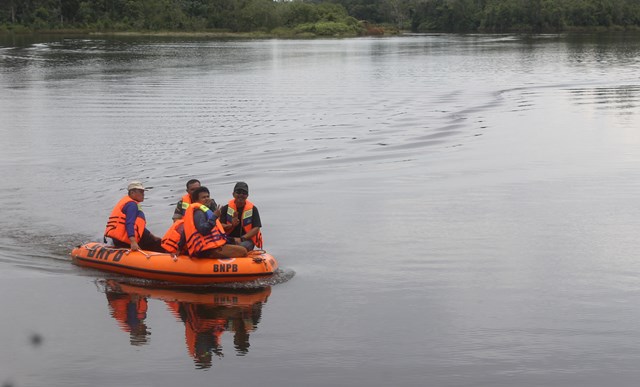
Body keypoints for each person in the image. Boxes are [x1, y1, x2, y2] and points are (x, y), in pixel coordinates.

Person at [183, 186, 247, 259]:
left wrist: (231, 238)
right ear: (196, 201)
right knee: (243, 251)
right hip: (207, 250)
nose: (207, 199)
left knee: (238, 244)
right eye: (203, 197)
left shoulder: (205, 211)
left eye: (208, 196)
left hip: (213, 246)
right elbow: (203, 230)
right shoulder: (198, 213)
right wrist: (214, 217)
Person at [104, 181, 164, 252]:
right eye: (141, 192)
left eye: (143, 192)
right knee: (160, 245)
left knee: (155, 240)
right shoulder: (132, 205)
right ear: (132, 193)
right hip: (126, 240)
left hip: (118, 240)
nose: (143, 194)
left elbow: (138, 226)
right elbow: (129, 223)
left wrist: (152, 236)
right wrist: (133, 242)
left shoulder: (128, 203)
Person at [220, 182, 263, 251]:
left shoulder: (253, 209)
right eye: (238, 192)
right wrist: (231, 225)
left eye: (244, 193)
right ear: (233, 194)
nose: (241, 195)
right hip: (229, 238)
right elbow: (220, 225)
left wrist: (242, 239)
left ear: (247, 195)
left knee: (241, 247)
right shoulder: (225, 208)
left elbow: (256, 228)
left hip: (246, 240)